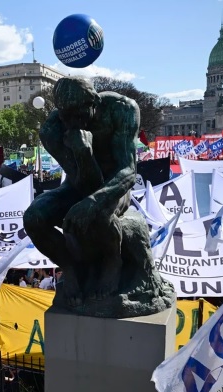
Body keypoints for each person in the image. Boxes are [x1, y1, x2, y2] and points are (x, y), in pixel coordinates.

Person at [23, 76, 140, 305]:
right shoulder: (52, 130)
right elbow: (82, 182)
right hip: (78, 184)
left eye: (79, 115)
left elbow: (128, 170)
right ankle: (70, 268)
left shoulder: (122, 109)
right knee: (33, 218)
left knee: (98, 210)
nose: (73, 123)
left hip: (115, 183)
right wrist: (82, 154)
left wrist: (94, 201)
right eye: (66, 116)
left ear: (93, 102)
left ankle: (112, 261)